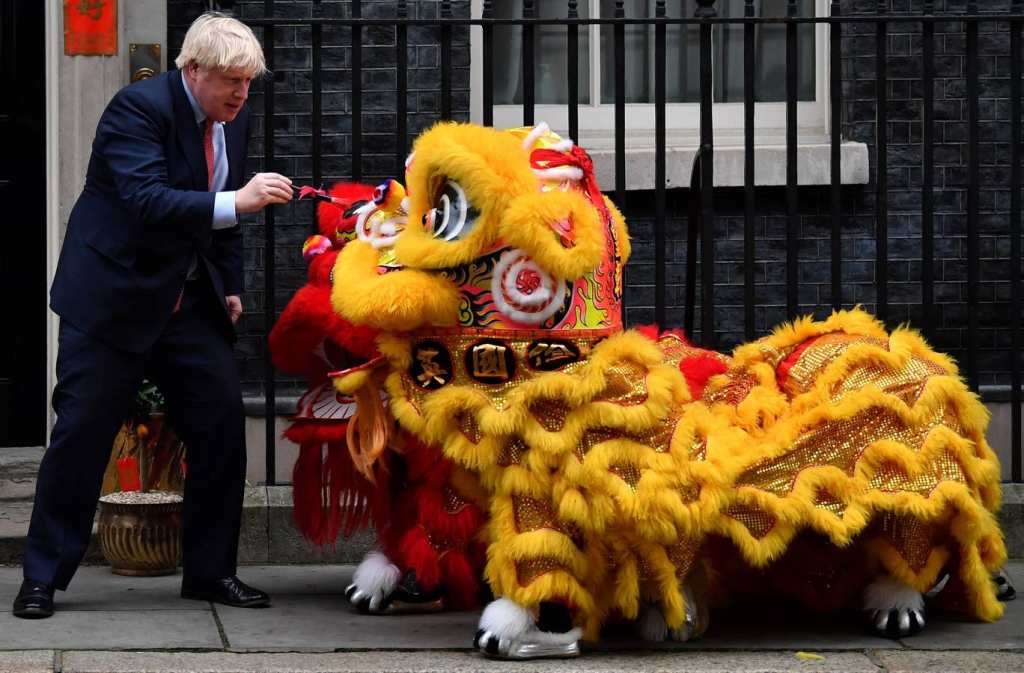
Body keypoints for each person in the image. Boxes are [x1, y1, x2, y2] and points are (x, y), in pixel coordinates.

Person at [13, 12, 293, 619]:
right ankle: (41, 578)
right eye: (229, 81)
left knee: (221, 429)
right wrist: (238, 202)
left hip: (188, 304)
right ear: (192, 70)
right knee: (81, 438)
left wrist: (231, 286)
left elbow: (221, 214)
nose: (241, 95)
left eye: (248, 83)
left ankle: (211, 574)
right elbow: (148, 200)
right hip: (113, 300)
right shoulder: (135, 110)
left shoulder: (231, 119)